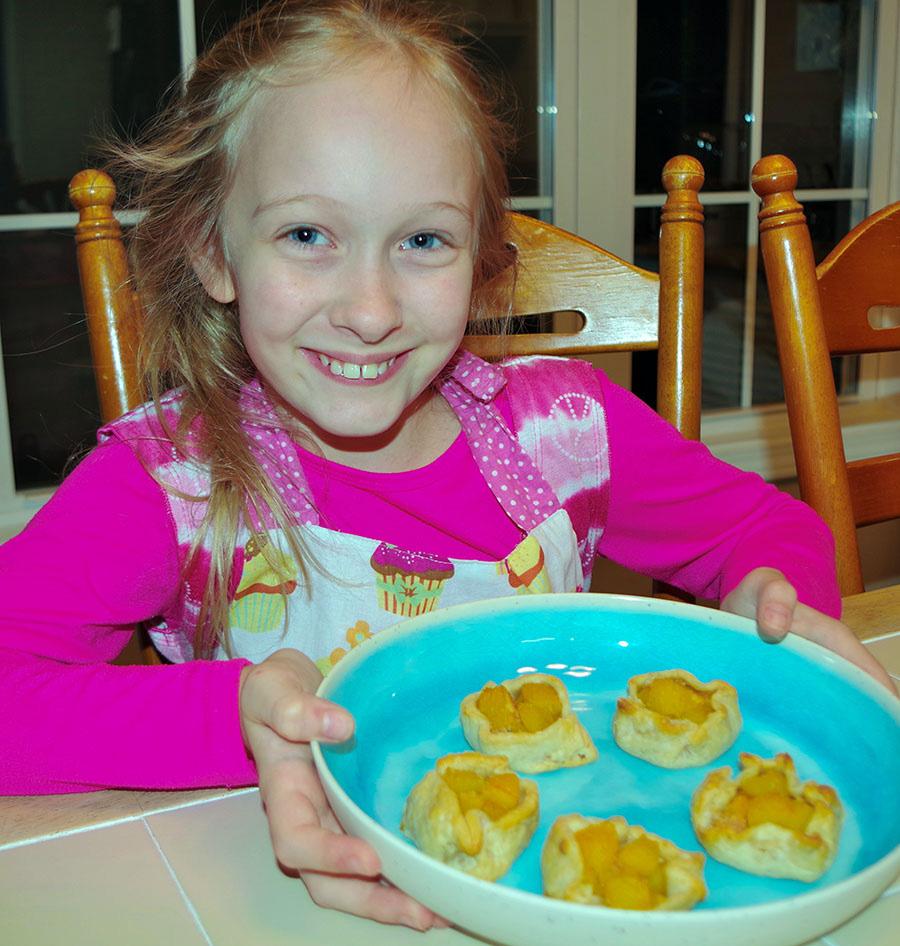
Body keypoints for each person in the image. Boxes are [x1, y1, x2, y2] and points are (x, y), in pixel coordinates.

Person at [0, 0, 893, 932]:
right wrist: (235, 718)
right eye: (307, 236)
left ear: (481, 260)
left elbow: (767, 530)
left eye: (423, 241)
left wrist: (771, 596)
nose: (372, 310)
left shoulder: (571, 432)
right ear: (214, 253)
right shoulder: (166, 486)